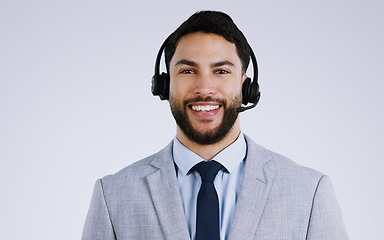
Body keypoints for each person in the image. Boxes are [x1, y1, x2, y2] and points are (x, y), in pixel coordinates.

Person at [82, 10, 349, 240]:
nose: (205, 88)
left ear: (247, 87)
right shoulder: (113, 196)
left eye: (221, 71)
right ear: (164, 86)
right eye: (187, 71)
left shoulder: (310, 192)